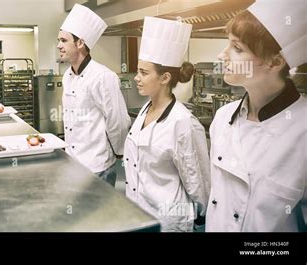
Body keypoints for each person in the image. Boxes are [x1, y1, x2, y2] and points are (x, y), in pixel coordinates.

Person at [206, 0, 306, 232]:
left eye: (237, 48)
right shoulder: (222, 118)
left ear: (275, 62)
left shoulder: (302, 130)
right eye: (227, 44)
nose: (222, 56)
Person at [123, 17, 210, 232]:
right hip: (137, 212)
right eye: (137, 71)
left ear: (165, 78)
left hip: (168, 221)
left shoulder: (183, 123)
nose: (136, 78)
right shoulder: (146, 109)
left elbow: (197, 182)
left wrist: (200, 213)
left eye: (143, 72)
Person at [57, 4, 131, 186]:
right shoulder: (67, 76)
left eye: (64, 40)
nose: (59, 45)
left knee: (100, 214)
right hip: (73, 161)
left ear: (80, 43)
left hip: (97, 167)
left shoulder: (103, 77)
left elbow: (118, 121)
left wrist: (118, 152)